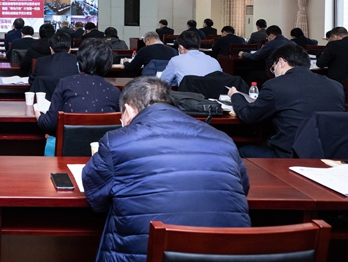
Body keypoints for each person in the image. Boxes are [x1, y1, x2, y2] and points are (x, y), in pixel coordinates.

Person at [83, 77, 251, 262]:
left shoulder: (116, 142)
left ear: (129, 110)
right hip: (227, 254)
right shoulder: (223, 139)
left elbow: (96, 198)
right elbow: (242, 189)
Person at [229, 44, 345, 158]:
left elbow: (248, 115)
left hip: (291, 157)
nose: (274, 71)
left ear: (281, 61)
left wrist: (235, 95)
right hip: (332, 158)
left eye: (273, 67)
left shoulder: (275, 86)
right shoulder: (336, 86)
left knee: (241, 150)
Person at [37, 38, 121, 136]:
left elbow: (50, 123)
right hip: (102, 145)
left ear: (80, 60)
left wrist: (38, 115)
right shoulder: (115, 92)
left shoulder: (65, 84)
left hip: (69, 145)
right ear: (108, 64)